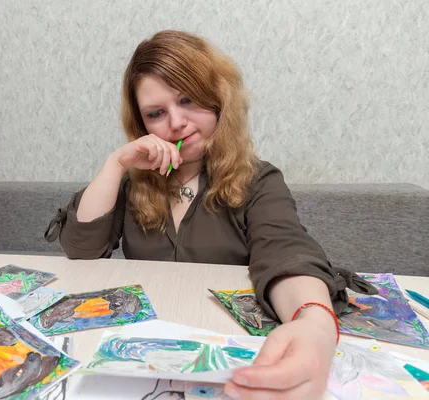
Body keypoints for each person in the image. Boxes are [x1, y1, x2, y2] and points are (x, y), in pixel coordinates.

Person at [45, 30, 377, 399]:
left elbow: (287, 251)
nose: (176, 123)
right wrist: (116, 163)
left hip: (228, 355)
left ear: (218, 99)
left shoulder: (257, 179)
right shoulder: (133, 182)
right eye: (156, 113)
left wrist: (314, 322)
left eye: (189, 100)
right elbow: (82, 249)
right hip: (147, 356)